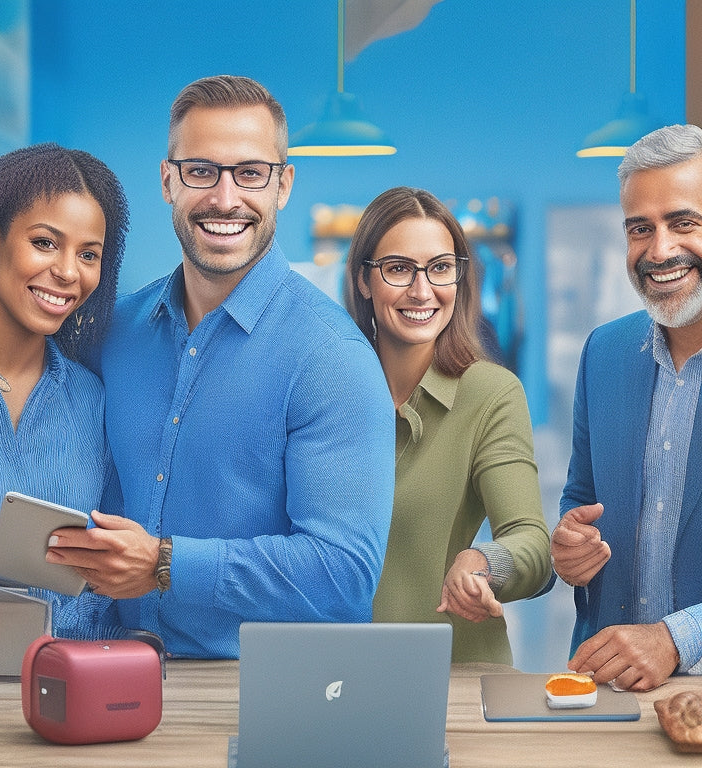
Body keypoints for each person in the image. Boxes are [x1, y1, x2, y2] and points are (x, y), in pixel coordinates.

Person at [45, 75, 395, 658]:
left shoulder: (332, 357)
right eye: (201, 171)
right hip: (104, 666)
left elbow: (345, 575)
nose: (225, 198)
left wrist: (167, 564)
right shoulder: (111, 334)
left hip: (259, 694)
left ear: (283, 185)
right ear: (167, 182)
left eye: (250, 173)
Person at [0, 143, 129, 676]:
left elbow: (101, 583)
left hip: (71, 698)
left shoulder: (91, 400)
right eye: (45, 243)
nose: (68, 272)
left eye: (89, 254)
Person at [344, 186, 551, 664]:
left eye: (440, 268)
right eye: (399, 269)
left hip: (454, 678)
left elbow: (533, 545)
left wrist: (484, 562)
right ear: (363, 280)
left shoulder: (491, 394)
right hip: (332, 674)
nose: (423, 290)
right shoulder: (323, 391)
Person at [552, 123, 702, 692]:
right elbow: (580, 497)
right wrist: (569, 548)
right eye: (641, 228)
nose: (659, 250)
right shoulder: (605, 352)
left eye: (683, 222)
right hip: (605, 689)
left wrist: (674, 639)